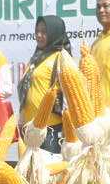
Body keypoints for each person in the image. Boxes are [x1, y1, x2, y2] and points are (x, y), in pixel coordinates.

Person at [17, 16, 70, 153]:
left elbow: (69, 95)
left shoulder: (61, 57)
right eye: (37, 31)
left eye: (44, 32)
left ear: (54, 33)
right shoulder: (36, 57)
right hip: (30, 129)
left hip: (50, 130)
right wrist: (22, 119)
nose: (39, 35)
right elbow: (26, 91)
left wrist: (68, 128)